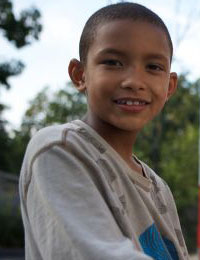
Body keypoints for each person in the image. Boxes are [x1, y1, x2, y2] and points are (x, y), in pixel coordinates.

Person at [18, 3, 189, 259]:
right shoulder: (58, 149)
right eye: (113, 62)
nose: (134, 82)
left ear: (169, 86)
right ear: (80, 75)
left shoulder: (158, 187)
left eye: (153, 67)